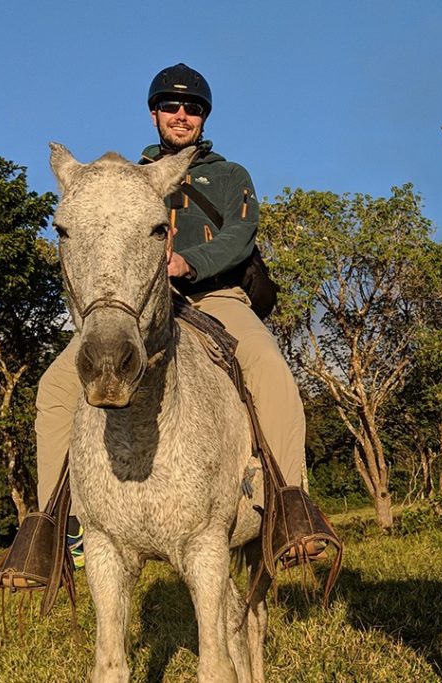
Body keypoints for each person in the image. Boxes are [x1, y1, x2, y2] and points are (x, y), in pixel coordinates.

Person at [29, 63, 306, 569]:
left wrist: (187, 262)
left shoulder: (228, 176)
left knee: (271, 369)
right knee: (54, 388)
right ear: (154, 113)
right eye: (171, 106)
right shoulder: (127, 179)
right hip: (139, 307)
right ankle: (54, 529)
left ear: (204, 117)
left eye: (193, 109)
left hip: (215, 297)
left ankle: (291, 506)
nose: (182, 116)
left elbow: (239, 237)